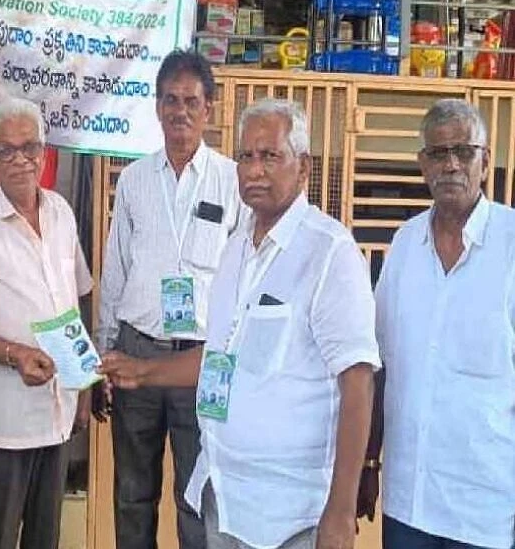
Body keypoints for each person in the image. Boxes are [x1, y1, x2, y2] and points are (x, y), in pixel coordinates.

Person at [101, 98, 381, 549]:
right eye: (245, 156)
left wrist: (341, 510)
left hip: (293, 513)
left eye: (270, 156)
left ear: (303, 167)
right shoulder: (235, 250)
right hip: (225, 496)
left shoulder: (329, 252)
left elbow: (358, 382)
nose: (254, 170)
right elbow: (221, 355)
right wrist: (143, 371)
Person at [97, 49, 241, 549]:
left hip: (199, 361)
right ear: (157, 107)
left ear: (209, 109)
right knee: (132, 494)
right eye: (171, 100)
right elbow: (115, 270)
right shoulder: (134, 179)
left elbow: (244, 277)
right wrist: (105, 353)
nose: (181, 111)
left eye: (191, 101)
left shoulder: (232, 181)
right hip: (136, 351)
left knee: (197, 495)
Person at [359, 99, 515, 549]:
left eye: (463, 151)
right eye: (438, 153)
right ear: (422, 164)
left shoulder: (510, 246)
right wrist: (369, 463)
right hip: (409, 503)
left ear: (485, 160)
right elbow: (379, 365)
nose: (451, 165)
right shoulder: (405, 246)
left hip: (487, 508)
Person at [0, 97, 92, 549]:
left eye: (29, 147)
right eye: (6, 150)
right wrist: (15, 354)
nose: (20, 160)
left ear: (44, 152)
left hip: (56, 412)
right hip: (0, 425)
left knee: (44, 539)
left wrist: (84, 386)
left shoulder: (61, 212)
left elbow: (75, 300)